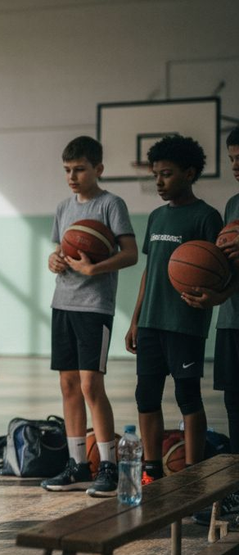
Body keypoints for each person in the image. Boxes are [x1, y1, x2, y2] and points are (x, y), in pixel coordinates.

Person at [41, 136, 137, 497]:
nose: (72, 176)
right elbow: (61, 250)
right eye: (67, 170)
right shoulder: (63, 207)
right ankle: (78, 464)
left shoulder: (111, 204)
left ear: (98, 169)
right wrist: (54, 260)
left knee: (90, 386)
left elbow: (130, 253)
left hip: (94, 306)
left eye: (79, 169)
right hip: (62, 302)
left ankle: (108, 467)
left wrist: (95, 269)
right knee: (68, 386)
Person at [125, 135, 222, 483]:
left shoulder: (207, 217)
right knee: (145, 396)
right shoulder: (156, 217)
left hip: (185, 322)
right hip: (151, 322)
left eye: (166, 174)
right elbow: (149, 272)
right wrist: (136, 319)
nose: (159, 182)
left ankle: (193, 476)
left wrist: (212, 296)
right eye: (156, 175)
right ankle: (151, 470)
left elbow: (221, 272)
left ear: (189, 173)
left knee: (187, 396)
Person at [188, 127, 239, 528]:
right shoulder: (233, 203)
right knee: (234, 408)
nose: (236, 167)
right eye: (233, 159)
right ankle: (236, 489)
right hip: (231, 321)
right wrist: (215, 295)